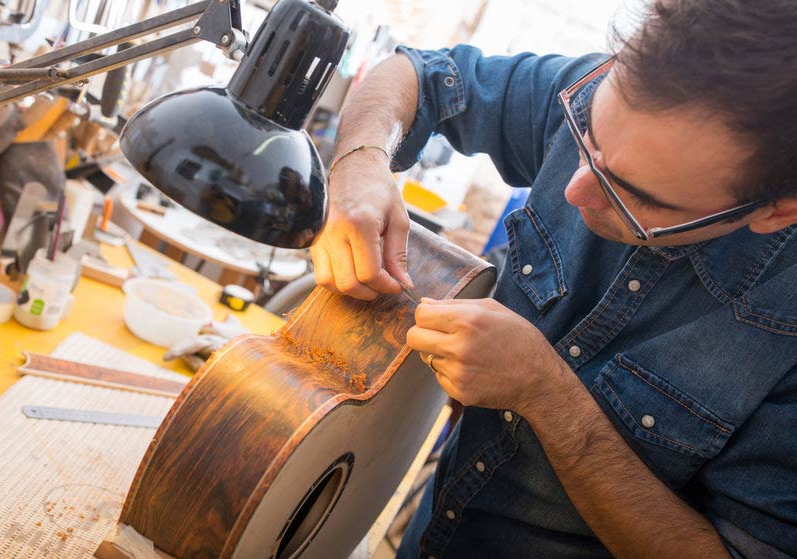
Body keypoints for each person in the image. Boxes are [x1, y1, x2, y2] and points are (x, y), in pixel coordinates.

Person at [310, 0, 797, 557]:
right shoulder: (600, 95)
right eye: (586, 135)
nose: (574, 189)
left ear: (777, 211)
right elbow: (417, 74)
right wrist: (361, 162)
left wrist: (549, 397)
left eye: (632, 197)